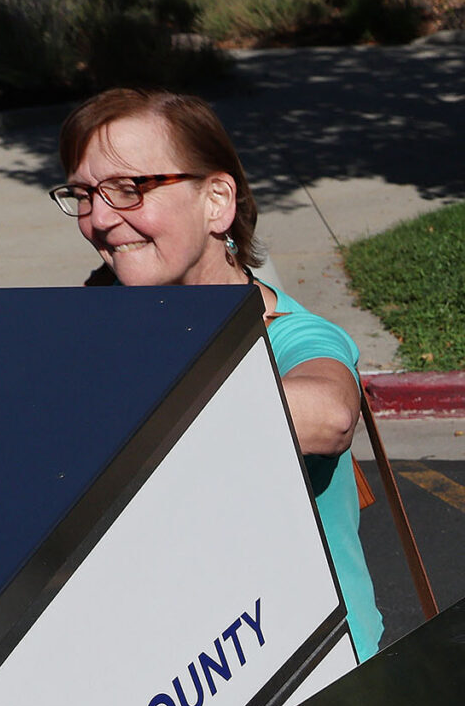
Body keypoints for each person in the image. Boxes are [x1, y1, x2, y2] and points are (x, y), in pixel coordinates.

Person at [51, 89, 385, 660]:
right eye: (83, 194)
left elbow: (328, 417)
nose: (100, 220)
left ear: (216, 201)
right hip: (183, 686)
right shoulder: (95, 322)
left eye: (130, 189)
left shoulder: (290, 335)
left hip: (312, 673)